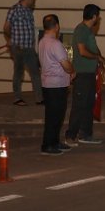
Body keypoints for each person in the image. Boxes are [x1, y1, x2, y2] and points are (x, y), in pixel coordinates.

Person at [65, 4, 105, 146]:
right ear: (94, 16)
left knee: (89, 104)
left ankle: (86, 134)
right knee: (79, 105)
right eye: (98, 16)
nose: (98, 19)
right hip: (82, 74)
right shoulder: (81, 30)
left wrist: (99, 60)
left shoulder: (88, 31)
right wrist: (96, 57)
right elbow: (82, 51)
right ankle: (70, 135)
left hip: (89, 73)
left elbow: (92, 48)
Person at [38, 14, 75, 156]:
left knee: (54, 115)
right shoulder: (55, 44)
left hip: (48, 84)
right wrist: (72, 70)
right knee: (55, 116)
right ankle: (48, 144)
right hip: (56, 85)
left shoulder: (42, 42)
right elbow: (65, 64)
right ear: (57, 26)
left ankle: (54, 141)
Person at [3, 0, 43, 106]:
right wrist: (9, 39)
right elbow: (6, 27)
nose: (34, 1)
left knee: (35, 72)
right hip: (18, 47)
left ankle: (39, 98)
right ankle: (17, 98)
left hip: (28, 47)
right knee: (19, 72)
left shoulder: (29, 11)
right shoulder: (14, 10)